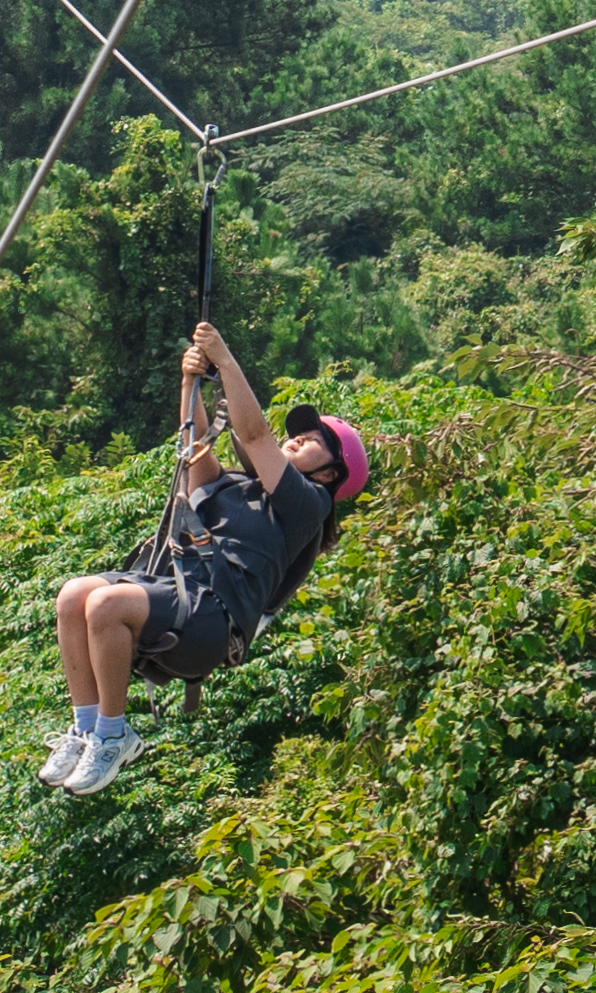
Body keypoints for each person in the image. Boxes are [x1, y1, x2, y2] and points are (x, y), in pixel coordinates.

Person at [46, 323, 368, 797]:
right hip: (177, 596)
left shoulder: (308, 507)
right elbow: (194, 446)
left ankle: (115, 734)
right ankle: (87, 727)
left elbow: (256, 436)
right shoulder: (235, 487)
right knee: (74, 595)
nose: (298, 439)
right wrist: (189, 381)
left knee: (105, 606)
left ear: (330, 472)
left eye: (314, 439)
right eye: (298, 434)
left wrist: (224, 358)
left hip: (211, 621)